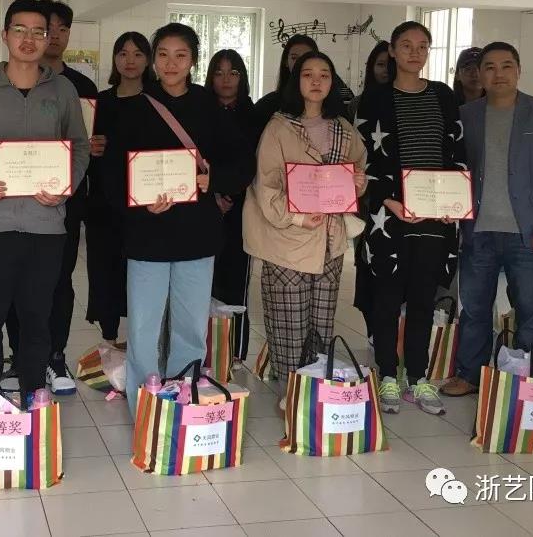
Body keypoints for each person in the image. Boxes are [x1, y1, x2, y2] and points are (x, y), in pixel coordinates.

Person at [0, 0, 90, 406]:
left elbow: (78, 147)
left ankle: (33, 394)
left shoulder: (62, 90)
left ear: (49, 38)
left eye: (38, 32)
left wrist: (65, 184)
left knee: (37, 316)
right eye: (20, 30)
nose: (29, 39)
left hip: (46, 225)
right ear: (5, 35)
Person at [113, 23, 254, 419]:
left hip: (196, 233)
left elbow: (243, 162)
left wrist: (214, 180)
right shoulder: (133, 108)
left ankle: (184, 392)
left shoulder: (210, 108)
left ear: (193, 60)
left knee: (190, 325)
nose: (171, 63)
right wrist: (140, 204)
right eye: (163, 55)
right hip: (147, 234)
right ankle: (143, 402)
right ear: (153, 60)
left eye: (180, 55)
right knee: (143, 325)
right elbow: (113, 174)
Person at [441, 42, 533, 398]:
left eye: (507, 66)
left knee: (531, 309)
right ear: (480, 74)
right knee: (474, 308)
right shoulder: (465, 115)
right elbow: (454, 170)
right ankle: (470, 374)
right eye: (490, 67)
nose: (499, 74)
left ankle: (529, 376)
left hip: (527, 233)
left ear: (519, 71)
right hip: (477, 230)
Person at [355, 21, 464, 416]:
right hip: (390, 215)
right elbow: (364, 157)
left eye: (422, 46)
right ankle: (387, 374)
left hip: (435, 216)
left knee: (422, 301)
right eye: (406, 45)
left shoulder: (443, 95)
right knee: (386, 300)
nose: (414, 53)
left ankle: (418, 377)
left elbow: (456, 149)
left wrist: (454, 202)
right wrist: (387, 198)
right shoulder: (374, 99)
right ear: (392, 50)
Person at [244, 51, 367, 400]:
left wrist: (358, 184)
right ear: (295, 81)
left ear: (332, 82)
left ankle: (314, 388)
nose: (316, 81)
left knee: (321, 322)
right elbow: (266, 184)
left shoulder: (343, 128)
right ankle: (291, 390)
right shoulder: (279, 127)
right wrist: (296, 216)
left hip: (330, 240)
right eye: (308, 74)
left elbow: (357, 168)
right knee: (289, 322)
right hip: (288, 240)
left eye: (324, 75)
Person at [3, 0, 98, 394]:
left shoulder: (80, 87)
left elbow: (83, 144)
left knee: (58, 280)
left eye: (60, 29)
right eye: (47, 28)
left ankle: (55, 356)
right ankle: (20, 355)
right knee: (14, 281)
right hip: (11, 202)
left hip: (63, 202)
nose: (52, 35)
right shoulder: (2, 83)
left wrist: (91, 150)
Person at [84, 32, 154, 345]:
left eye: (138, 54)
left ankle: (141, 343)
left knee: (142, 274)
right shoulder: (99, 102)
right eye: (123, 54)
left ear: (148, 60)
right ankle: (109, 340)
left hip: (146, 206)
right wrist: (90, 148)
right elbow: (80, 152)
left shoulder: (158, 102)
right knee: (105, 272)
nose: (130, 61)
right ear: (114, 59)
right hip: (104, 203)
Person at [203, 49, 257, 361]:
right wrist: (213, 194)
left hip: (241, 209)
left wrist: (230, 194)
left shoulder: (254, 114)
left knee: (236, 281)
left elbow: (255, 164)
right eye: (219, 72)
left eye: (233, 73)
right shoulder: (200, 110)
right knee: (202, 281)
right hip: (203, 205)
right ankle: (203, 351)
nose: (226, 79)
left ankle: (234, 354)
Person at [350, 40, 391, 337]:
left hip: (398, 202)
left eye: (390, 64)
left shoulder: (407, 103)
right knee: (366, 266)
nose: (386, 70)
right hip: (364, 201)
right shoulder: (356, 105)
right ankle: (375, 333)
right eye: (380, 64)